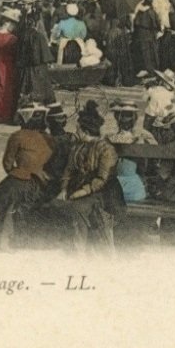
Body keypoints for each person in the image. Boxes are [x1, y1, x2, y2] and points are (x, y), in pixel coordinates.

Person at [55, 102, 126, 251]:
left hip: (104, 193)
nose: (76, 131)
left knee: (78, 208)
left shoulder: (106, 149)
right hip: (80, 187)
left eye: (78, 128)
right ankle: (72, 247)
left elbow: (102, 179)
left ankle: (78, 249)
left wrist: (82, 191)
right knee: (57, 205)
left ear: (86, 130)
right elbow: (69, 170)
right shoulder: (78, 147)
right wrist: (63, 189)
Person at [0, 103, 54, 244]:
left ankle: (8, 229)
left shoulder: (17, 136)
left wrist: (16, 174)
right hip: (43, 182)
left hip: (20, 179)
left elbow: (7, 163)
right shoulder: (48, 138)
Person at [0, 8, 20, 122]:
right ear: (7, 23)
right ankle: (6, 113)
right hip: (8, 64)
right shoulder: (13, 39)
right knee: (7, 88)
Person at [130, 0, 160, 75]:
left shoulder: (142, 9)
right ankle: (149, 71)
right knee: (147, 54)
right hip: (146, 34)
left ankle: (148, 71)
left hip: (143, 34)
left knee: (145, 53)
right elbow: (156, 24)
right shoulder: (150, 10)